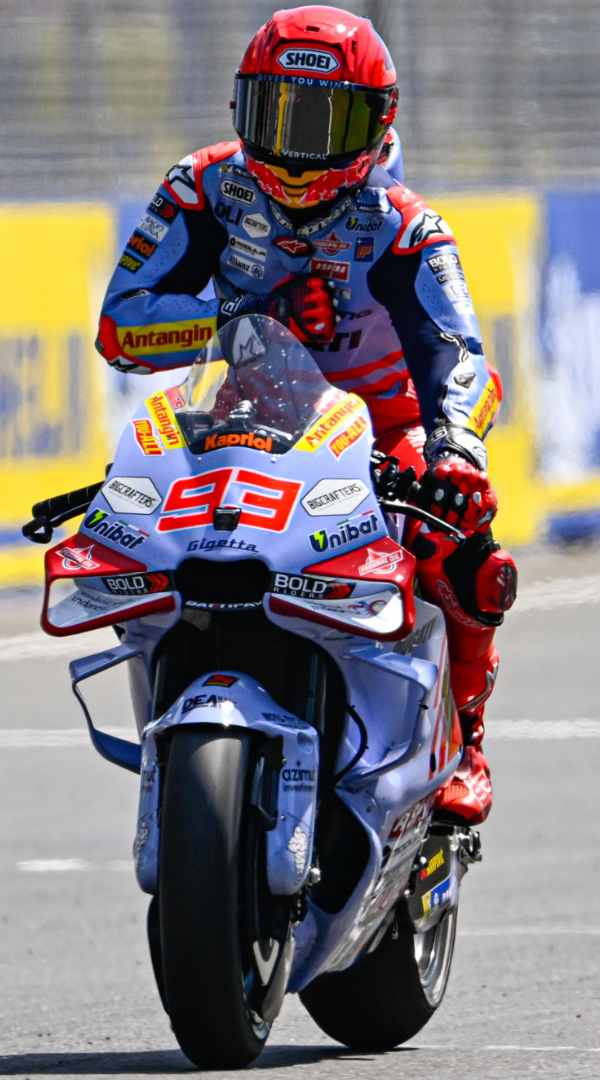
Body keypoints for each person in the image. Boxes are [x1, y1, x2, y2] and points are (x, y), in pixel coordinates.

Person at [94, 5, 516, 825]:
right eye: (276, 113)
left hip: (379, 430)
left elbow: (461, 354)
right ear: (240, 109)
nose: (296, 147)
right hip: (237, 412)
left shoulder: (405, 226)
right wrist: (229, 317)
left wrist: (454, 448)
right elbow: (121, 326)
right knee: (138, 529)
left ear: (377, 122)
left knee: (463, 545)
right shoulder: (203, 188)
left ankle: (466, 739)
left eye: (323, 121)